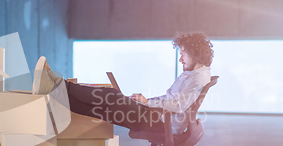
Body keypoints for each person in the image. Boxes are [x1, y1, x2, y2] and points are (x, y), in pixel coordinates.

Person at [32, 33, 214, 135]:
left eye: (183, 53)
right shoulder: (193, 74)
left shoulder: (198, 77)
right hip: (158, 117)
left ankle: (57, 84)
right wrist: (144, 101)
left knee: (110, 95)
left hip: (160, 122)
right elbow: (171, 99)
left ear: (195, 53)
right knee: (101, 109)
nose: (181, 58)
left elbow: (179, 105)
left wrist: (147, 102)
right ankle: (54, 92)